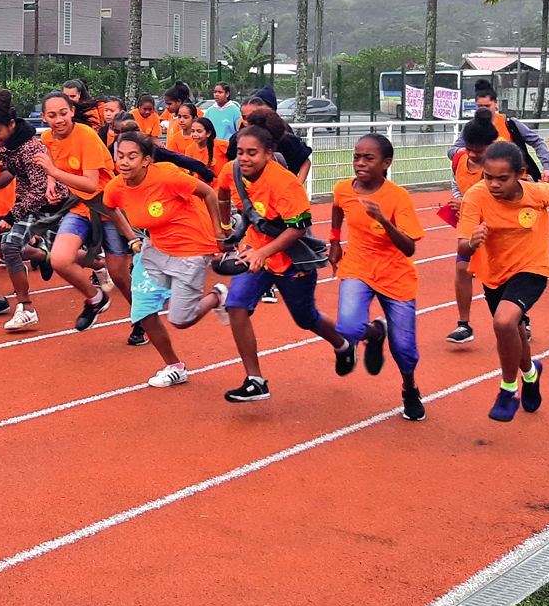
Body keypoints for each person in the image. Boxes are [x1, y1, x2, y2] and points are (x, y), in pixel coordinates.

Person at [457, 141, 549, 422]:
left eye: (502, 178)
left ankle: (508, 388)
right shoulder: (475, 197)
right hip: (494, 273)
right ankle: (531, 374)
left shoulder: (537, 193)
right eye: (488, 177)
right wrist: (472, 242)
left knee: (503, 322)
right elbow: (462, 247)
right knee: (516, 331)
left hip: (531, 268)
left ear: (521, 173)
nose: (494, 184)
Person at [213, 125, 355, 403]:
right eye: (240, 152)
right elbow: (221, 192)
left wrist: (265, 253)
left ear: (268, 153)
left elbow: (299, 228)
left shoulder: (285, 184)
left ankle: (342, 344)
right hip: (255, 248)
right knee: (236, 306)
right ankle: (255, 380)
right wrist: (225, 228)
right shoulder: (233, 170)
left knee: (306, 319)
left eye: (252, 153)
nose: (244, 158)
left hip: (292, 257)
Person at [100, 132, 229, 387]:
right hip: (155, 249)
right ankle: (175, 366)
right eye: (120, 156)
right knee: (143, 312)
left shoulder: (168, 178)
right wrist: (131, 239)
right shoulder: (116, 186)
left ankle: (217, 296)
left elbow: (209, 194)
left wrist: (219, 232)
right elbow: (109, 207)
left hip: (191, 247)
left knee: (180, 319)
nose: (124, 162)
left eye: (132, 157)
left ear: (147, 160)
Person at [330, 133, 428, 422]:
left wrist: (384, 220)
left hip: (395, 275)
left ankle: (410, 389)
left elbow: (409, 247)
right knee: (347, 327)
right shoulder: (343, 189)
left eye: (368, 158)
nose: (360, 163)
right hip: (357, 267)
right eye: (356, 157)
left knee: (405, 350)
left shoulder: (398, 198)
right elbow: (338, 208)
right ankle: (374, 334)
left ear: (386, 163)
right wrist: (335, 241)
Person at [37, 92, 134, 332]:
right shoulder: (48, 137)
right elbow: (53, 161)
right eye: (52, 115)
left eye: (63, 113)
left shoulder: (86, 136)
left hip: (107, 208)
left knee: (120, 276)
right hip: (80, 207)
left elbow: (91, 184)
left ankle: (141, 319)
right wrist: (51, 181)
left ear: (72, 111)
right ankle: (96, 298)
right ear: (43, 117)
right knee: (59, 259)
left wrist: (53, 172)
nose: (58, 119)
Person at [0, 100, 56, 327]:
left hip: (50, 205)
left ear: (12, 124)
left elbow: (39, 192)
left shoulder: (32, 150)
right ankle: (26, 307)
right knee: (10, 245)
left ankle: (97, 265)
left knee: (64, 257)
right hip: (27, 204)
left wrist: (10, 216)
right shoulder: (6, 142)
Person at [444, 111, 500, 344]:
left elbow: (507, 195)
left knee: (499, 276)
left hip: (498, 225)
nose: (474, 154)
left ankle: (520, 320)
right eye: (470, 149)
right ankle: (464, 324)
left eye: (480, 150)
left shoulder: (501, 162)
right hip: (470, 224)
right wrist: (459, 202)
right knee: (462, 270)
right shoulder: (459, 158)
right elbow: (456, 184)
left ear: (492, 145)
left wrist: (466, 202)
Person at [447, 78, 549, 180]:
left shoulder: (510, 123)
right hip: (484, 180)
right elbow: (452, 151)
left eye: (487, 106)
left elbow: (538, 141)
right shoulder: (471, 127)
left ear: (495, 103)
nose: (483, 109)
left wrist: (547, 166)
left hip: (515, 180)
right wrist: (468, 151)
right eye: (480, 106)